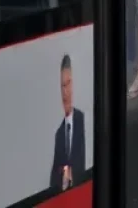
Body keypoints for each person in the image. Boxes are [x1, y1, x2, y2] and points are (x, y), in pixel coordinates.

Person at [49, 54, 86, 192]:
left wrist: (69, 170)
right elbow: (53, 179)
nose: (65, 92)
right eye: (62, 86)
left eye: (68, 83)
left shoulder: (81, 119)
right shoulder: (59, 134)